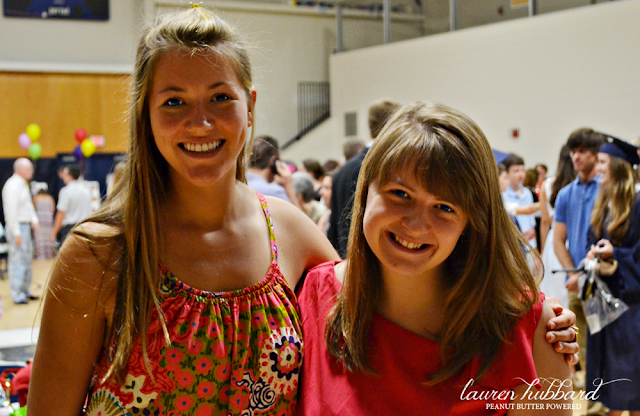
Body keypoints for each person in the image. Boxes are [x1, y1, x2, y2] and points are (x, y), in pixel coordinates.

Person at [28, 6, 337, 415]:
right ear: (146, 114)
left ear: (250, 106)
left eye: (220, 97)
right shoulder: (100, 253)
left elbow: (367, 337)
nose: (200, 123)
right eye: (174, 102)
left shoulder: (290, 231)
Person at [297, 102, 578, 415]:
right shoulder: (310, 297)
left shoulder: (531, 333)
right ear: (365, 190)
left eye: (445, 208)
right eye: (400, 194)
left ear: (471, 223)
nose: (417, 225)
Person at [585, 136, 640, 416]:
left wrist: (615, 254)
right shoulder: (603, 202)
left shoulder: (638, 203)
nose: (598, 167)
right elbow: (590, 238)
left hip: (631, 306)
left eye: (603, 162)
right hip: (605, 302)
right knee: (609, 381)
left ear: (618, 166)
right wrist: (593, 254)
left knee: (632, 383)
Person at [553, 128, 604, 376]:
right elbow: (558, 240)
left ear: (595, 154)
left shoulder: (607, 189)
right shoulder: (565, 194)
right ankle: (592, 395)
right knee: (582, 348)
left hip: (603, 279)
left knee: (605, 347)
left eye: (582, 151)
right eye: (573, 151)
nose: (576, 156)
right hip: (576, 281)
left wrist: (585, 273)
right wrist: (574, 274)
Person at [328, 99, 401, 258]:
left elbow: (333, 229)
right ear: (395, 125)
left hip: (343, 261)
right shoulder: (388, 168)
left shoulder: (341, 171)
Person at [538, 145, 575, 308]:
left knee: (553, 292)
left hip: (554, 241)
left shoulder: (548, 184)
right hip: (572, 238)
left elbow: (545, 222)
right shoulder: (578, 185)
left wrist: (542, 250)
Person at [1, 158, 39, 305]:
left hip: (25, 226)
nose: (32, 171)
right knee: (18, 261)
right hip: (17, 227)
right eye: (29, 169)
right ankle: (17, 293)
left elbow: (27, 205)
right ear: (20, 169)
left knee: (27, 260)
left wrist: (34, 220)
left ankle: (25, 290)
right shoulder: (12, 185)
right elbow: (10, 210)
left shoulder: (23, 185)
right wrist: (16, 232)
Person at [246, 136, 302, 209]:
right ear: (273, 161)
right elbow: (297, 216)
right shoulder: (275, 193)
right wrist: (288, 187)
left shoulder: (237, 184)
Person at [502, 154, 538, 249]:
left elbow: (531, 224)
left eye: (523, 170)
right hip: (514, 247)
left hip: (530, 246)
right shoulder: (503, 195)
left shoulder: (527, 193)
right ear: (507, 173)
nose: (521, 175)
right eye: (516, 171)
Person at [51, 165, 93, 245]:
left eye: (65, 174)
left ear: (70, 176)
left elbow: (61, 213)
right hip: (84, 228)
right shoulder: (86, 191)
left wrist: (54, 233)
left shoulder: (66, 191)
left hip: (69, 230)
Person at [33, 188, 56, 259]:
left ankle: (41, 256)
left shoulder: (36, 198)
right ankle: (49, 255)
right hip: (48, 221)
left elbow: (33, 209)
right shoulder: (50, 198)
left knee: (39, 240)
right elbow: (53, 209)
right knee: (49, 238)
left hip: (40, 220)